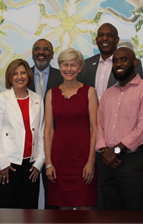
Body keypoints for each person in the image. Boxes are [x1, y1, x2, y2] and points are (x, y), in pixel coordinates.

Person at [78, 22, 143, 210]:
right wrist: (102, 149)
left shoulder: (129, 64)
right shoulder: (87, 66)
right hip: (95, 140)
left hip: (123, 147)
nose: (104, 39)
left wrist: (114, 150)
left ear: (116, 40)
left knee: (124, 202)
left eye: (109, 35)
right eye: (101, 35)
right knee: (97, 193)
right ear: (96, 39)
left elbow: (137, 109)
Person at [95, 47, 143, 211]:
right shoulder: (108, 94)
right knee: (112, 212)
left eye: (123, 59)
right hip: (108, 162)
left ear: (134, 63)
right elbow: (99, 125)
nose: (118, 64)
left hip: (134, 161)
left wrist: (115, 151)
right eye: (115, 60)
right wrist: (104, 150)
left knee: (134, 212)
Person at [44, 48, 99, 209]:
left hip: (83, 159)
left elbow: (94, 128)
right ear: (60, 67)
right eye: (65, 65)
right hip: (59, 159)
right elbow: (48, 130)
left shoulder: (90, 92)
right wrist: (48, 163)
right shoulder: (51, 94)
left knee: (85, 207)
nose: (69, 69)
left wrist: (91, 161)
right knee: (62, 210)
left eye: (73, 65)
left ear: (80, 67)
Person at [0, 59, 45, 208]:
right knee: (5, 211)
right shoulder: (0, 99)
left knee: (28, 211)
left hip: (30, 166)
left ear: (29, 75)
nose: (19, 77)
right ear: (9, 77)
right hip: (7, 165)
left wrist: (39, 162)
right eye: (15, 73)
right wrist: (2, 163)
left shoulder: (37, 99)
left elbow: (41, 133)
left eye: (23, 72)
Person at [28, 38, 63, 209]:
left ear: (52, 54)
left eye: (46, 49)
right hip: (29, 147)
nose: (41, 52)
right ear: (32, 52)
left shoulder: (62, 77)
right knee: (28, 196)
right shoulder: (22, 75)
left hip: (54, 145)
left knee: (54, 196)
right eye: (37, 49)